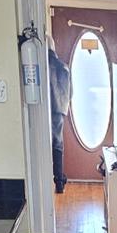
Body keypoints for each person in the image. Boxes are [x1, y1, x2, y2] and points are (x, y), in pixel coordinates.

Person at [48, 38, 72, 194]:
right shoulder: (63, 67)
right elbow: (71, 92)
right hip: (59, 110)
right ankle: (59, 182)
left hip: (46, 109)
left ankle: (53, 180)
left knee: (45, 146)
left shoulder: (43, 65)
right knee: (57, 146)